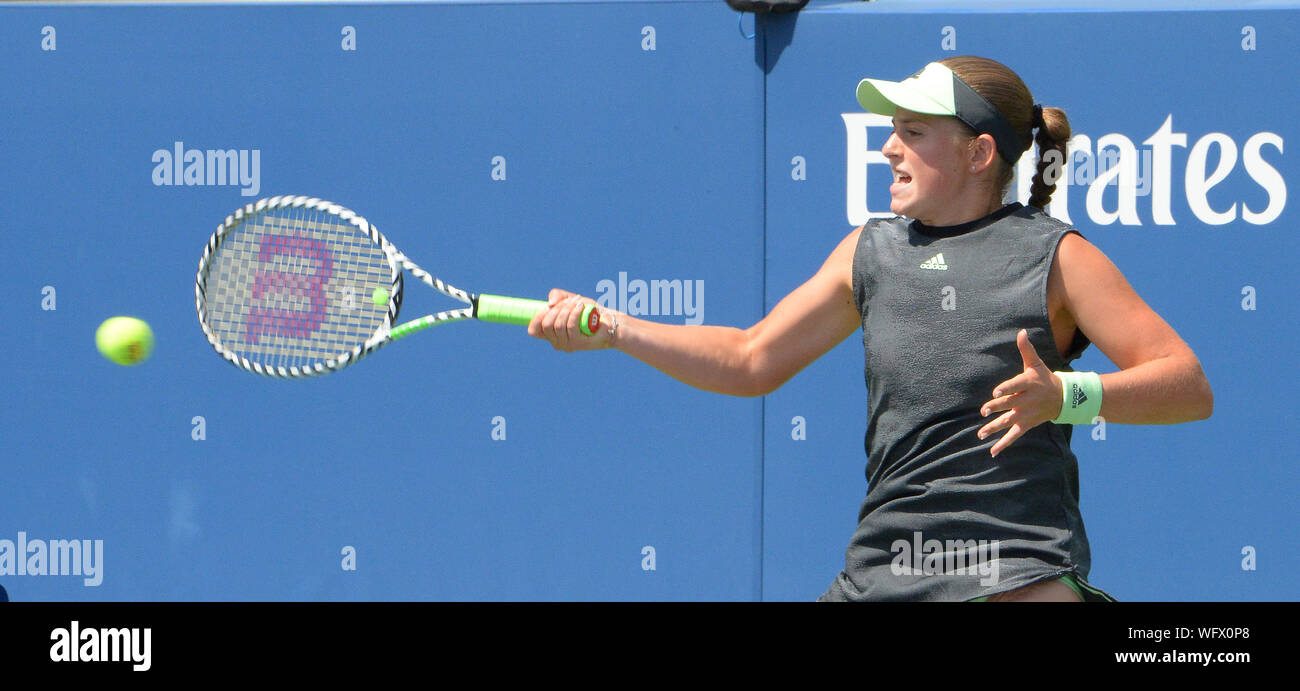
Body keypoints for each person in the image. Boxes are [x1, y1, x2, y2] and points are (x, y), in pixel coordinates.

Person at [527, 56, 1213, 601]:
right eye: (892, 132)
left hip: (1015, 571)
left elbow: (1186, 384)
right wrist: (615, 327)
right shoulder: (869, 251)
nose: (889, 148)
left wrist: (1068, 395)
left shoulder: (1059, 256)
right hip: (882, 573)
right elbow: (749, 357)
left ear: (978, 155)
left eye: (913, 132)